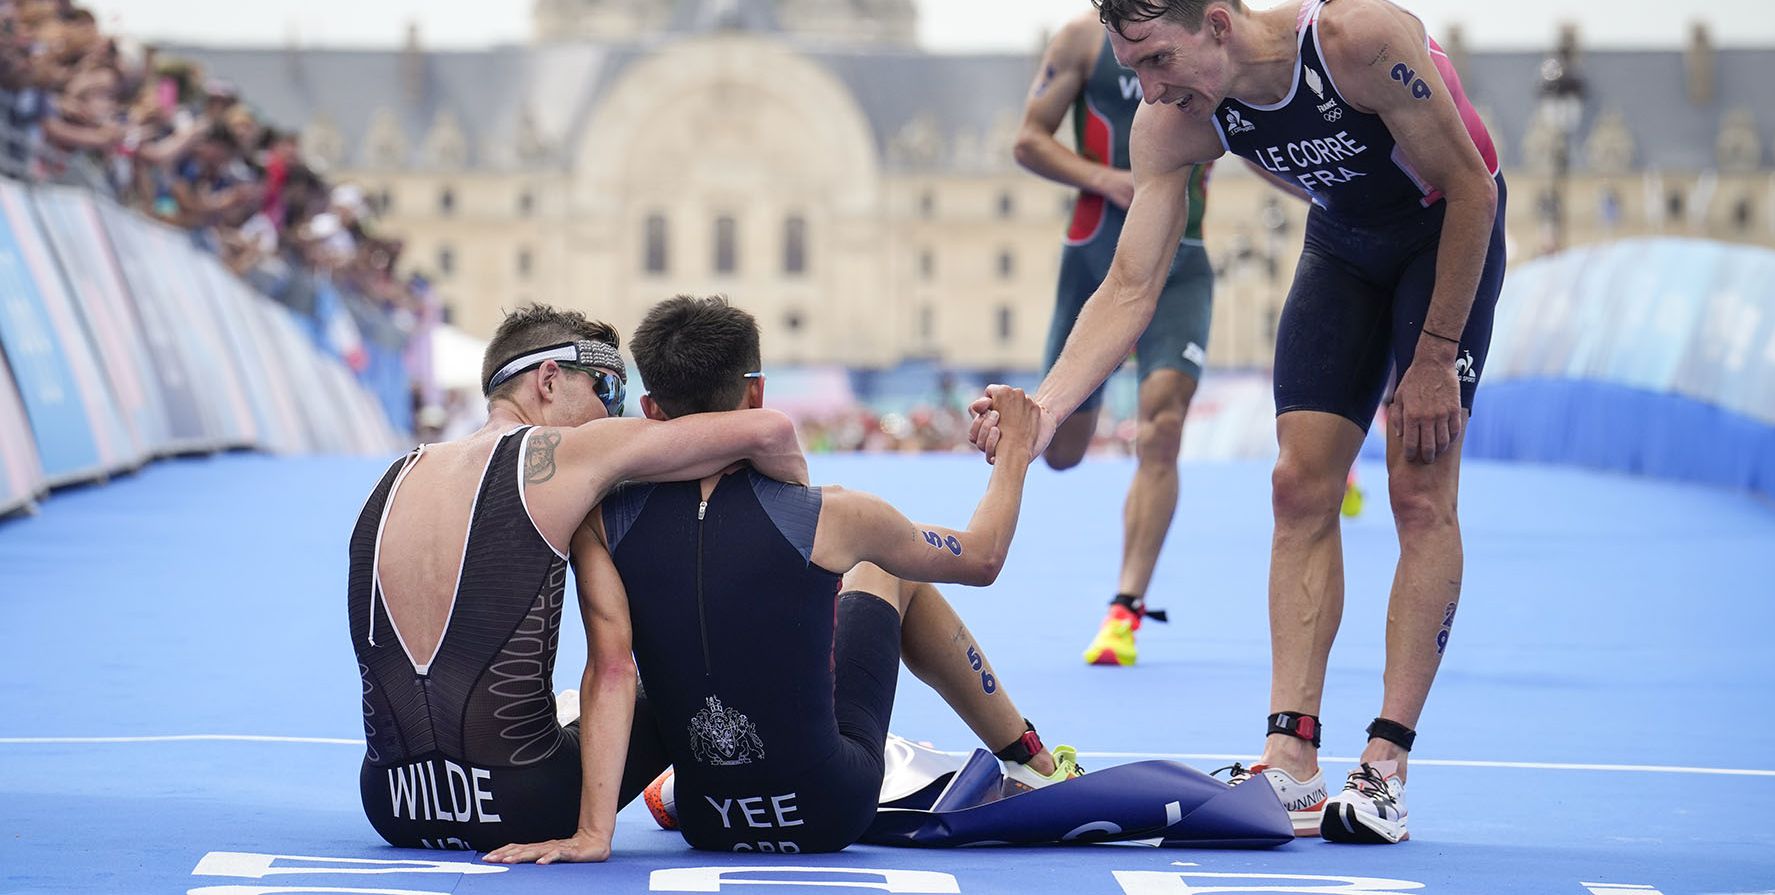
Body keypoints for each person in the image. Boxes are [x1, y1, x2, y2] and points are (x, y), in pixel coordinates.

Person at [970, 0, 1506, 845]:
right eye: (1130, 69)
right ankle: (1290, 760)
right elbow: (1131, 287)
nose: (1145, 89)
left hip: (1448, 237)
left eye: (1154, 60)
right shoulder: (1175, 118)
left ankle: (1387, 762)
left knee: (1418, 488)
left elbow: (1474, 184)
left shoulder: (1355, 41)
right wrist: (1044, 412)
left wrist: (1436, 353)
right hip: (1345, 244)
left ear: (1216, 24)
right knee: (1297, 486)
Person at [485, 296, 1076, 861]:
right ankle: (1031, 759)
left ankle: (680, 778)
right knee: (884, 565)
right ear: (757, 392)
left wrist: (595, 832)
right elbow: (983, 558)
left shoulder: (604, 522)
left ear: (650, 411)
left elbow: (611, 671)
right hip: (830, 810)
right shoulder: (838, 513)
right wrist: (1017, 448)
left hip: (708, 819)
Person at [347, 303, 807, 853]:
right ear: (548, 379)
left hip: (394, 804)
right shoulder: (562, 452)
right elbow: (768, 430)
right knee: (684, 686)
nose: (610, 414)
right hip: (525, 800)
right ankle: (725, 799)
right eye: (607, 391)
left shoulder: (396, 474)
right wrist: (798, 523)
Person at [1015, 9, 1215, 668]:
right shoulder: (1079, 41)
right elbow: (1028, 141)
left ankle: (1124, 611)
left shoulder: (1211, 30)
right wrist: (1105, 179)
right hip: (1096, 257)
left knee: (1162, 427)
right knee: (1062, 448)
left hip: (1179, 260)